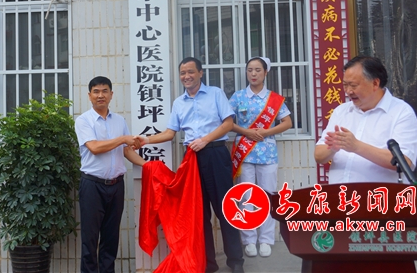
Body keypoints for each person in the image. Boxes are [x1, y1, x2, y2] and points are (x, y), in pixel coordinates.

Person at [141, 57, 245, 273]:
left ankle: (235, 261)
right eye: (182, 73)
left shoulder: (215, 93)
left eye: (190, 72)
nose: (186, 76)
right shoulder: (179, 103)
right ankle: (207, 263)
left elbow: (228, 124)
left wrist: (205, 140)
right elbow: (170, 133)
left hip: (216, 154)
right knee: (199, 213)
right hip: (192, 160)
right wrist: (146, 140)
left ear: (200, 73)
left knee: (226, 209)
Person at [75, 76, 145, 273]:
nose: (100, 95)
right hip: (92, 186)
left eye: (104, 91)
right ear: (89, 95)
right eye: (96, 91)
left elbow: (126, 150)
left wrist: (148, 166)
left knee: (111, 238)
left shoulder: (119, 120)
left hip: (116, 186)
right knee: (90, 239)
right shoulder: (83, 120)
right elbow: (95, 147)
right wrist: (122, 139)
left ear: (111, 94)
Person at [314, 56, 417, 183]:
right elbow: (318, 156)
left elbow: (405, 162)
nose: (348, 91)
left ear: (375, 83)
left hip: (379, 194)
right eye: (345, 85)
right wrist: (332, 148)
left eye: (353, 85)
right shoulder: (341, 111)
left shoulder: (401, 112)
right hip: (341, 193)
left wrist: (356, 146)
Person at [229, 56, 292, 258]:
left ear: (266, 72)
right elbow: (227, 122)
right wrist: (246, 132)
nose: (253, 74)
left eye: (257, 70)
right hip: (245, 155)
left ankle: (266, 239)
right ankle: (249, 239)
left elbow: (287, 122)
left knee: (267, 196)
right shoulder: (238, 97)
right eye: (250, 70)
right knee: (245, 196)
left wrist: (266, 132)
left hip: (268, 154)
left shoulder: (274, 99)